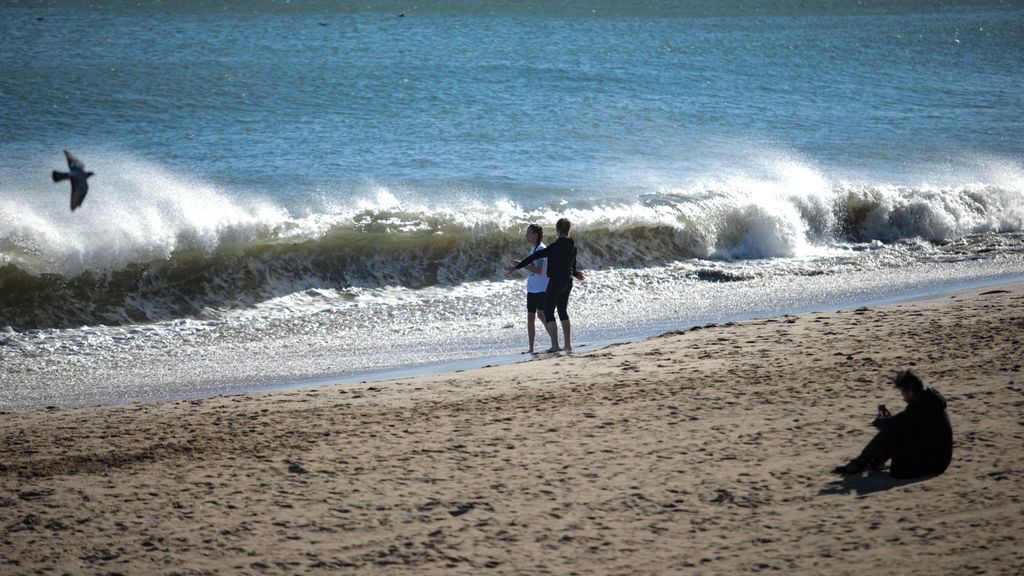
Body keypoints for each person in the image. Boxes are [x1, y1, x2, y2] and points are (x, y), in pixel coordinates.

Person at [834, 370, 953, 479]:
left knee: (890, 433)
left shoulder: (920, 406)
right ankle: (870, 462)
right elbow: (906, 423)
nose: (903, 398)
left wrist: (880, 421)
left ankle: (860, 463)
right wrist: (890, 421)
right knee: (895, 430)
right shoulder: (928, 401)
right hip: (939, 459)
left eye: (903, 394)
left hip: (931, 464)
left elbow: (898, 424)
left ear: (910, 392)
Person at [507, 217, 584, 353]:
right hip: (568, 280)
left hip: (556, 281)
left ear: (557, 230)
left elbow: (534, 257)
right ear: (568, 230)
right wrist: (576, 274)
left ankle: (555, 346)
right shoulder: (573, 246)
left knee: (548, 312)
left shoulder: (554, 247)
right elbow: (573, 265)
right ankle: (567, 345)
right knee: (562, 312)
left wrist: (517, 266)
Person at [518, 224, 548, 354]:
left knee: (541, 315)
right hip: (532, 288)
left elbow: (539, 270)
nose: (526, 235)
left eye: (528, 232)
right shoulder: (533, 249)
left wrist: (523, 265)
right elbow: (534, 265)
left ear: (535, 235)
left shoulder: (541, 249)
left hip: (541, 288)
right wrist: (521, 263)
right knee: (530, 318)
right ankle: (531, 348)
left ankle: (555, 341)